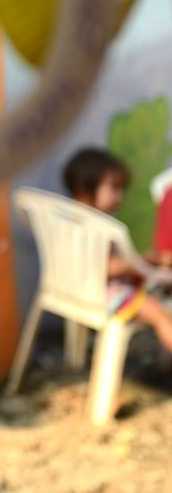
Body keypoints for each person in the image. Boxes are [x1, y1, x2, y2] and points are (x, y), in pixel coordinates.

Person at [63, 147, 172, 348]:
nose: (120, 196)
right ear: (85, 188)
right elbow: (106, 268)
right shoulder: (93, 226)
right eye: (114, 188)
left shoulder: (70, 220)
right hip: (104, 295)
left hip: (79, 290)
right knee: (159, 314)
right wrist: (143, 261)